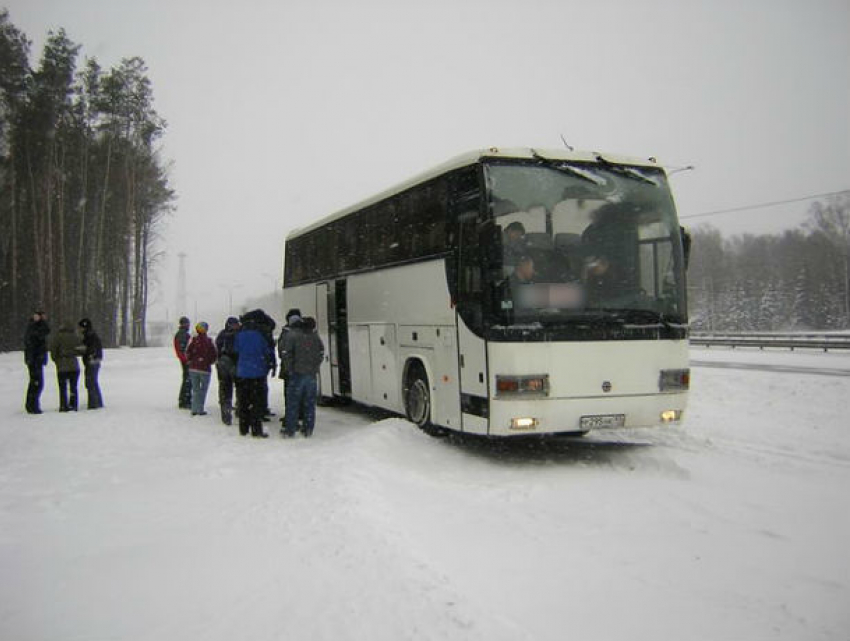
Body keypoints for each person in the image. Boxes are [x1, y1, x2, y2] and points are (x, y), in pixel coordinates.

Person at [281, 315, 325, 438]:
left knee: (293, 403)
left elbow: (286, 354)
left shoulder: (293, 335)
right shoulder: (314, 336)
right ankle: (308, 429)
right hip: (311, 375)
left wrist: (290, 369)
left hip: (297, 374)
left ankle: (290, 429)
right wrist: (315, 366)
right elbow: (321, 352)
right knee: (310, 403)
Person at [233, 309, 274, 438]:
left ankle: (243, 429)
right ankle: (256, 430)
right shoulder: (260, 336)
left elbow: (235, 350)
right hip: (258, 373)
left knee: (243, 402)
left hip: (242, 373)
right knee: (256, 403)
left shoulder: (239, 336)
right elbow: (267, 351)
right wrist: (269, 365)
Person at [277, 308, 302, 431]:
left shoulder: (285, 332)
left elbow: (281, 349)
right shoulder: (306, 331)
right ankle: (299, 415)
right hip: (302, 368)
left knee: (289, 393)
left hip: (288, 368)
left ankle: (291, 417)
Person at [49, 322, 82, 412]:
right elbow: (82, 349)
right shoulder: (76, 337)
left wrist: (57, 361)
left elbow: (53, 351)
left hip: (62, 365)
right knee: (73, 387)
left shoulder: (58, 337)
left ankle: (63, 405)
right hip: (74, 365)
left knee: (62, 387)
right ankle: (73, 405)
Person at [186, 322, 217, 416]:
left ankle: (194, 408)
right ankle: (200, 409)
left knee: (195, 389)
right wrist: (209, 362)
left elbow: (188, 352)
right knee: (203, 390)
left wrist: (191, 361)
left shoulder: (193, 340)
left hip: (193, 368)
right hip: (205, 369)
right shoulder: (209, 341)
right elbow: (214, 354)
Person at [24, 310, 51, 414]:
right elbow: (43, 333)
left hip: (35, 359)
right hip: (35, 359)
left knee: (35, 383)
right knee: (37, 383)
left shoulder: (34, 327)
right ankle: (32, 405)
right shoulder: (34, 328)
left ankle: (31, 404)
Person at [215, 316, 240, 425]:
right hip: (235, 364)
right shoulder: (239, 335)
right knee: (239, 388)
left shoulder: (222, 335)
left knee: (225, 389)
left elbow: (217, 348)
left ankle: (226, 413)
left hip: (223, 364)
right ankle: (238, 409)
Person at [78, 318, 104, 409]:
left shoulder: (90, 336)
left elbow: (91, 349)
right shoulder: (91, 335)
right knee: (93, 382)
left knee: (90, 382)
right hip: (94, 360)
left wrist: (84, 350)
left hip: (92, 361)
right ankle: (97, 402)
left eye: (81, 327)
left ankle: (93, 403)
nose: (79, 329)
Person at [173, 316, 192, 409]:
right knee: (187, 379)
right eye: (187, 323)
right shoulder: (183, 334)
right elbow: (182, 349)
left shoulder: (182, 333)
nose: (189, 325)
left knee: (187, 379)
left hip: (185, 359)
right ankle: (184, 400)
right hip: (186, 360)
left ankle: (184, 399)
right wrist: (187, 359)